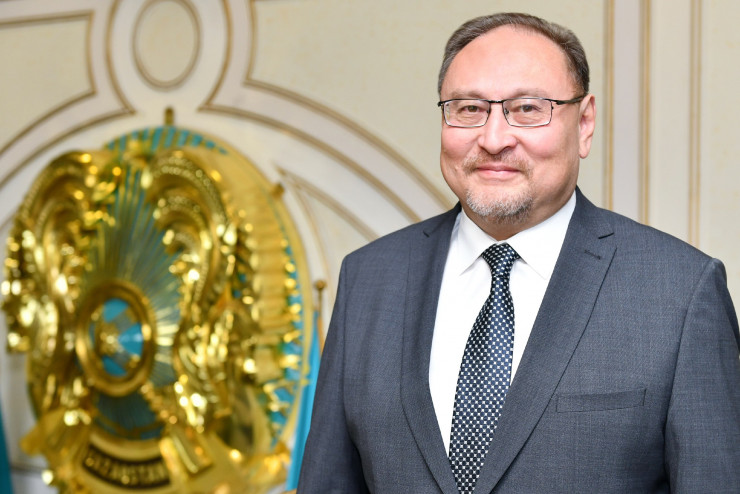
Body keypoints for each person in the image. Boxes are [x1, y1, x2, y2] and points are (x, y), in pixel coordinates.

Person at [297, 12, 740, 494]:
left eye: (528, 108)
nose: (493, 139)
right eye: (469, 108)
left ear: (584, 123)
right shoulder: (368, 279)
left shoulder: (680, 292)